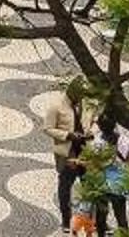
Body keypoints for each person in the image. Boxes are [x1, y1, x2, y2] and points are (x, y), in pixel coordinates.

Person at [38, 81, 90, 235]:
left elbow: (92, 120)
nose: (81, 99)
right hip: (67, 152)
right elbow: (47, 128)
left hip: (85, 150)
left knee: (91, 184)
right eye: (79, 96)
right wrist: (67, 135)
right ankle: (66, 219)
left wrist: (90, 131)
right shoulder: (57, 106)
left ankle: (94, 220)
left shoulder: (84, 104)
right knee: (65, 186)